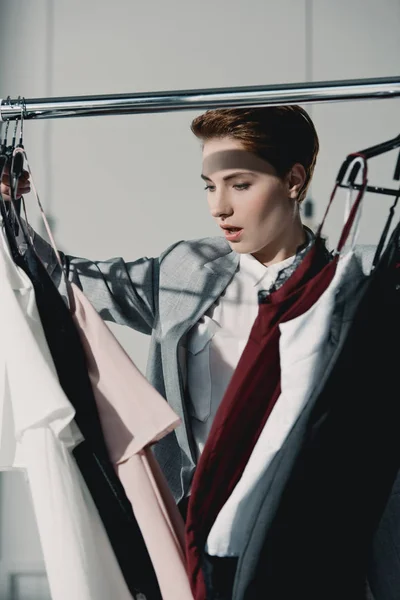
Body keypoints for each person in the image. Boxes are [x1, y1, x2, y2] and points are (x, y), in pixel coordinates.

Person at [0, 105, 320, 517]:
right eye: (209, 186)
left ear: (293, 181)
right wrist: (9, 215)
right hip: (198, 521)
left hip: (307, 522)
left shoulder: (352, 285)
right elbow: (70, 281)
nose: (218, 208)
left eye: (239, 185)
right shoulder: (187, 269)